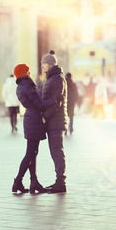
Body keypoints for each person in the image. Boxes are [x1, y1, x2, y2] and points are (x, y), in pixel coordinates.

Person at [12, 63, 57, 194]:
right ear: (24, 73)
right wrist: (55, 99)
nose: (30, 72)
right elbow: (40, 104)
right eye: (28, 70)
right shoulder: (27, 86)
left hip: (30, 120)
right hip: (34, 120)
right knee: (30, 153)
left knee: (33, 153)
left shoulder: (21, 86)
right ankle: (18, 182)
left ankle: (33, 182)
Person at [40, 50, 68, 193]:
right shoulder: (52, 77)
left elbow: (57, 102)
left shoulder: (57, 79)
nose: (42, 65)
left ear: (51, 64)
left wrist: (45, 116)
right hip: (53, 121)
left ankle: (61, 183)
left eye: (44, 63)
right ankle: (58, 181)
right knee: (54, 151)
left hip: (56, 121)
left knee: (57, 151)